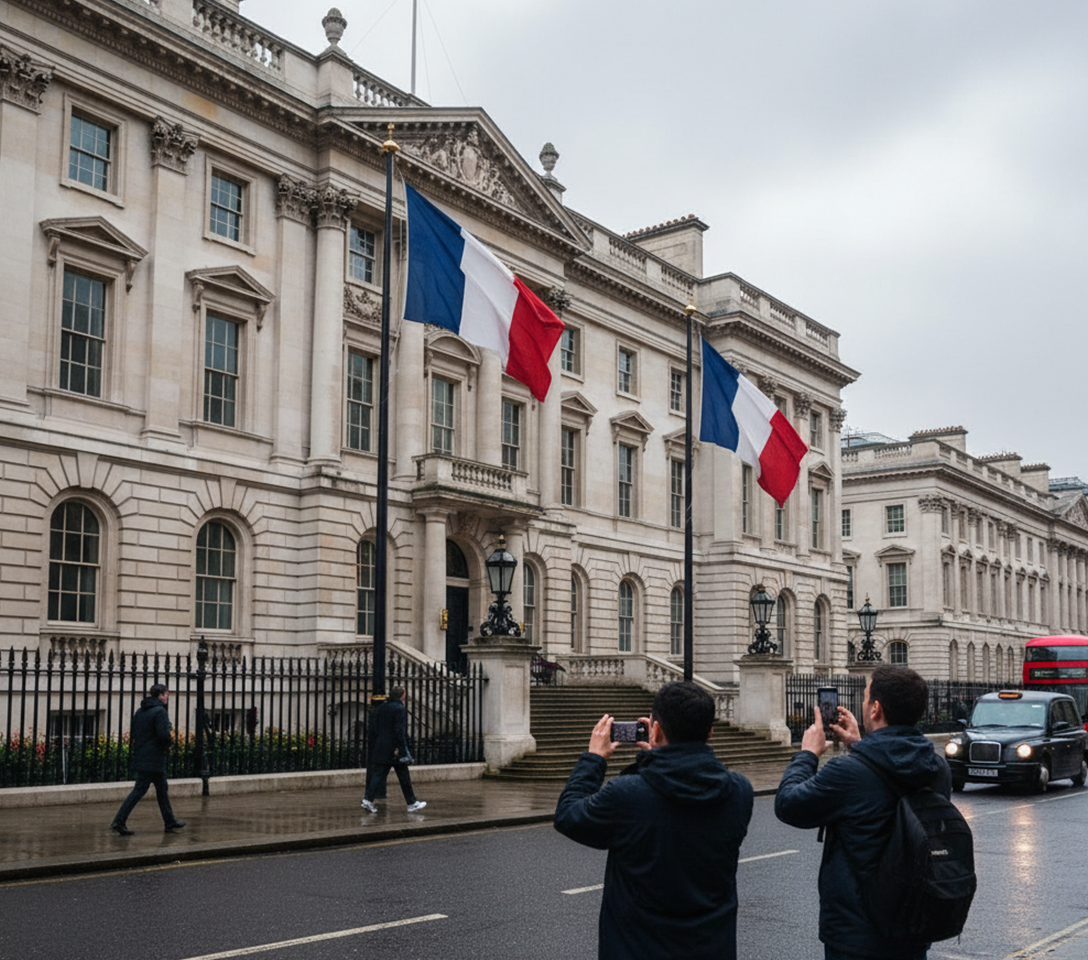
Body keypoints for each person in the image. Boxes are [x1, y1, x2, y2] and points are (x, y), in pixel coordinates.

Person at [553, 681, 754, 960]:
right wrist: (658, 757)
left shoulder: (627, 796)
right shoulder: (740, 792)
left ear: (655, 730)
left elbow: (568, 816)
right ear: (710, 731)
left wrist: (593, 758)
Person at [774, 664, 952, 960]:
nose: (865, 702)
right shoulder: (937, 768)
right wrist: (862, 745)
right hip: (913, 924)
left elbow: (788, 805)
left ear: (875, 709)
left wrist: (807, 754)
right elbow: (890, 775)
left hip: (858, 935)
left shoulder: (849, 773)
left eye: (867, 698)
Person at [109, 683, 186, 835]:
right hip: (154, 758)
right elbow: (163, 734)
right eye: (166, 695)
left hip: (143, 755)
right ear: (161, 695)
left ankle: (170, 821)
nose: (167, 697)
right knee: (139, 790)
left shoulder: (140, 711)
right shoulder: (160, 712)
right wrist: (170, 742)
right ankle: (119, 821)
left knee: (162, 789)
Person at [361, 686, 426, 813]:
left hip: (381, 746)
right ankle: (411, 803)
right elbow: (399, 731)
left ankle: (368, 800)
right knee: (403, 776)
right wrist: (401, 748)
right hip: (394, 749)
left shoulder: (382, 708)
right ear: (403, 695)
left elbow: (374, 728)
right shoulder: (400, 709)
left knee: (379, 774)